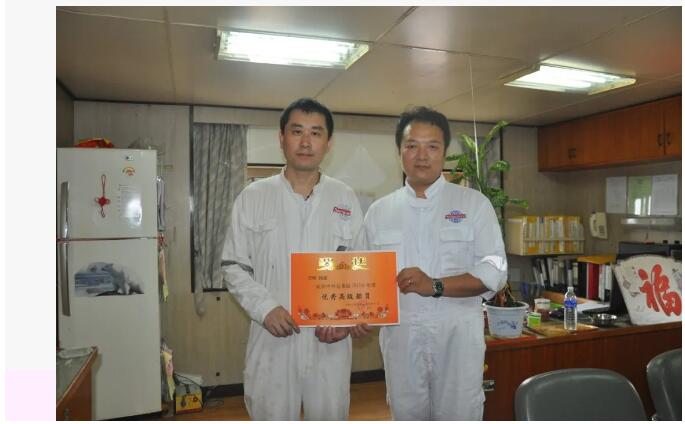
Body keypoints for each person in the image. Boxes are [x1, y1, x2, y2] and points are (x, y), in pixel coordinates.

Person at [221, 98, 371, 420]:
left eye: (316, 133)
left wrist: (347, 320)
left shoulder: (344, 197)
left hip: (328, 341)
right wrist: (265, 308)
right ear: (281, 138)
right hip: (273, 338)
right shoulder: (254, 196)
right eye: (297, 131)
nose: (306, 142)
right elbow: (233, 266)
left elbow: (359, 266)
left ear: (328, 143)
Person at [362, 106, 507, 420]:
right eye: (412, 145)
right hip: (400, 341)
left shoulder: (473, 204)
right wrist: (361, 315)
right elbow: (364, 279)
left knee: (459, 414)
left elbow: (494, 271)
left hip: (458, 340)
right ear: (399, 152)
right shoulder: (379, 212)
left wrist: (435, 285)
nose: (422, 156)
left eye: (432, 146)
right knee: (406, 415)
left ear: (444, 152)